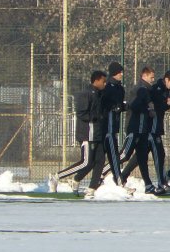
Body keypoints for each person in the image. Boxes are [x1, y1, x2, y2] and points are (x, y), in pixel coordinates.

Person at [49, 70, 107, 198]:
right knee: (86, 162)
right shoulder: (85, 94)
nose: (105, 83)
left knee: (100, 161)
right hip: (87, 134)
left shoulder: (99, 94)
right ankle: (56, 177)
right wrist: (97, 117)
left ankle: (90, 188)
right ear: (96, 80)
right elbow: (82, 113)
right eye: (103, 81)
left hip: (98, 134)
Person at [118, 66, 159, 193]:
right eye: (151, 77)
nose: (153, 80)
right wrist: (148, 109)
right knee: (124, 155)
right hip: (134, 129)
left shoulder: (147, 90)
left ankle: (148, 185)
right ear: (144, 76)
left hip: (143, 130)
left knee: (142, 158)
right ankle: (102, 174)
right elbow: (133, 106)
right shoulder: (139, 89)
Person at [148, 70, 170, 194]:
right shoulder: (157, 89)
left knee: (139, 157)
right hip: (153, 129)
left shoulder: (165, 91)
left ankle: (122, 176)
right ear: (166, 80)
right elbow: (155, 107)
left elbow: (162, 107)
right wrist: (164, 104)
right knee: (159, 155)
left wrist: (167, 105)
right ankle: (162, 184)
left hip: (156, 128)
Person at [100, 61, 126, 186]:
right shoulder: (107, 87)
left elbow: (120, 105)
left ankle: (98, 179)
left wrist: (124, 107)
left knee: (113, 156)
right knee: (114, 156)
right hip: (108, 128)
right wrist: (113, 107)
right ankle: (119, 182)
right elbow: (103, 105)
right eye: (120, 72)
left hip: (114, 127)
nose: (122, 74)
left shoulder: (120, 88)